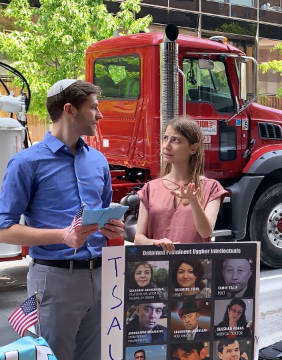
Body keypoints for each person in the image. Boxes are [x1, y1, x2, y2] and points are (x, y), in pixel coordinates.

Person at [0, 79, 125, 359]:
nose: (100, 114)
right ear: (69, 109)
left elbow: (104, 216)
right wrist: (62, 235)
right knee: (53, 355)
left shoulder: (99, 162)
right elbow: (3, 229)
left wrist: (112, 227)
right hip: (54, 280)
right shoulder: (26, 163)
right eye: (93, 108)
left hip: (100, 276)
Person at [135, 116, 229, 251]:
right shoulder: (150, 188)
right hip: (159, 266)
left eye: (175, 140)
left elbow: (206, 232)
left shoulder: (211, 187)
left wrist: (193, 201)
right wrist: (156, 243)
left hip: (194, 267)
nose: (166, 146)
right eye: (165, 138)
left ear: (193, 148)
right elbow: (138, 238)